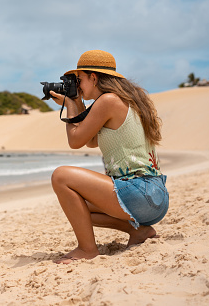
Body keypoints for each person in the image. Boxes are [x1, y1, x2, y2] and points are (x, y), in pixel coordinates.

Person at [49, 50, 169, 264]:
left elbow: (75, 141)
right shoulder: (126, 100)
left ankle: (87, 250)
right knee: (79, 207)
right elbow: (91, 140)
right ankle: (140, 232)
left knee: (61, 176)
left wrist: (69, 104)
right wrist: (76, 102)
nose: (78, 85)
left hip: (139, 192)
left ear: (93, 77)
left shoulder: (108, 101)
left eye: (79, 80)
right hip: (153, 195)